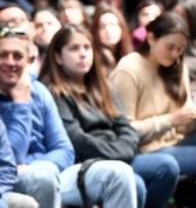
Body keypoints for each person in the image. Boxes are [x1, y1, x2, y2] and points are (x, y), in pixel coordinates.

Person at [0, 16, 140, 208]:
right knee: (42, 177)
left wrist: (40, 163)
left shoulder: (38, 90)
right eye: (3, 55)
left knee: (119, 173)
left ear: (28, 60)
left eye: (17, 56)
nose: (10, 62)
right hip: (11, 180)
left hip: (52, 170)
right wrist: (21, 105)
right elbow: (10, 159)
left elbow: (64, 149)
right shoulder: (44, 91)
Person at [39, 25, 179, 208]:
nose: (83, 54)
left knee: (168, 167)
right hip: (89, 162)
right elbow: (76, 139)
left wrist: (122, 150)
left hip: (120, 153)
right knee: (135, 184)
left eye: (87, 47)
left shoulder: (102, 87)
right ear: (57, 57)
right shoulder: (54, 92)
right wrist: (117, 153)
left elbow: (125, 127)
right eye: (74, 48)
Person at [109, 12, 196, 193]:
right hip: (146, 149)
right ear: (151, 38)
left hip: (175, 139)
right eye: (170, 47)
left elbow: (183, 127)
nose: (175, 54)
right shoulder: (129, 69)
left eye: (180, 49)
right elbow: (124, 131)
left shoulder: (177, 67)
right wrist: (170, 120)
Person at [90, 1, 133, 70]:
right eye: (102, 27)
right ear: (96, 31)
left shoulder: (130, 55)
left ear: (121, 28)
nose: (108, 30)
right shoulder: (91, 57)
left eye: (112, 25)